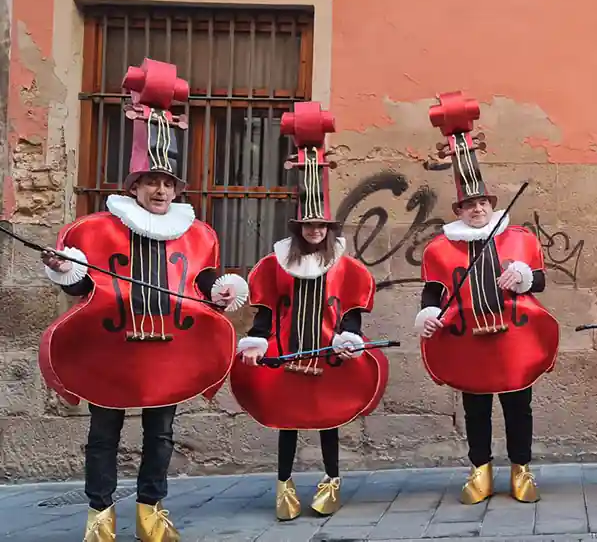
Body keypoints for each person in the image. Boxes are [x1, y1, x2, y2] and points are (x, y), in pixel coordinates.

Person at [39, 59, 248, 542]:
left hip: (170, 345)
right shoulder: (95, 230)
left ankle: (151, 509)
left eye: (167, 182)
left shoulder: (197, 233)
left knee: (161, 433)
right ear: (133, 186)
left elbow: (205, 286)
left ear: (176, 188)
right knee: (103, 435)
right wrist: (63, 268)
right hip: (111, 344)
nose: (159, 189)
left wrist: (222, 291)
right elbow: (81, 288)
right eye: (150, 181)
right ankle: (99, 514)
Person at [230, 101, 386, 521]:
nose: (315, 232)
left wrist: (348, 335)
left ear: (329, 230)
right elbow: (264, 312)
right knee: (286, 420)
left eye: (321, 227)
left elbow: (351, 310)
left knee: (328, 419)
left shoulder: (346, 266)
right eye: (308, 227)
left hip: (327, 352)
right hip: (286, 350)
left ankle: (331, 480)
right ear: (298, 230)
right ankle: (284, 486)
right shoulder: (275, 262)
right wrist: (258, 339)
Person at [414, 91, 560, 504]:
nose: (476, 209)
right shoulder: (441, 249)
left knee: (519, 407)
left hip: (514, 336)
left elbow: (542, 283)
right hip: (467, 336)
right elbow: (433, 293)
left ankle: (521, 469)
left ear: (490, 204)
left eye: (481, 203)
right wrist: (426, 315)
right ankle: (479, 470)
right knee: (476, 408)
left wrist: (524, 276)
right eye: (468, 204)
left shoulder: (518, 238)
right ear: (459, 209)